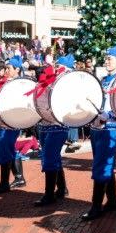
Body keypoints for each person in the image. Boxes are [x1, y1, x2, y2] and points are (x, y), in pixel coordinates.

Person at [81, 44, 116, 221]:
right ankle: (113, 200)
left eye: (110, 58)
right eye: (106, 58)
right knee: (104, 164)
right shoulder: (104, 79)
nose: (106, 61)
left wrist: (110, 115)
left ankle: (96, 206)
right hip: (98, 127)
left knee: (101, 165)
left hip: (111, 128)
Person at [33, 54, 75, 207]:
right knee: (53, 157)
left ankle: (49, 194)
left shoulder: (67, 80)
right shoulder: (55, 78)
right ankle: (62, 188)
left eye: (59, 66)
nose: (56, 68)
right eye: (57, 65)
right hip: (46, 123)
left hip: (58, 125)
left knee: (49, 157)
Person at [0, 57, 27, 194]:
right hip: (3, 120)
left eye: (8, 68)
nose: (5, 70)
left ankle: (4, 183)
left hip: (12, 121)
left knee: (5, 148)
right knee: (9, 147)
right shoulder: (5, 81)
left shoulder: (21, 83)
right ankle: (19, 177)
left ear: (17, 69)